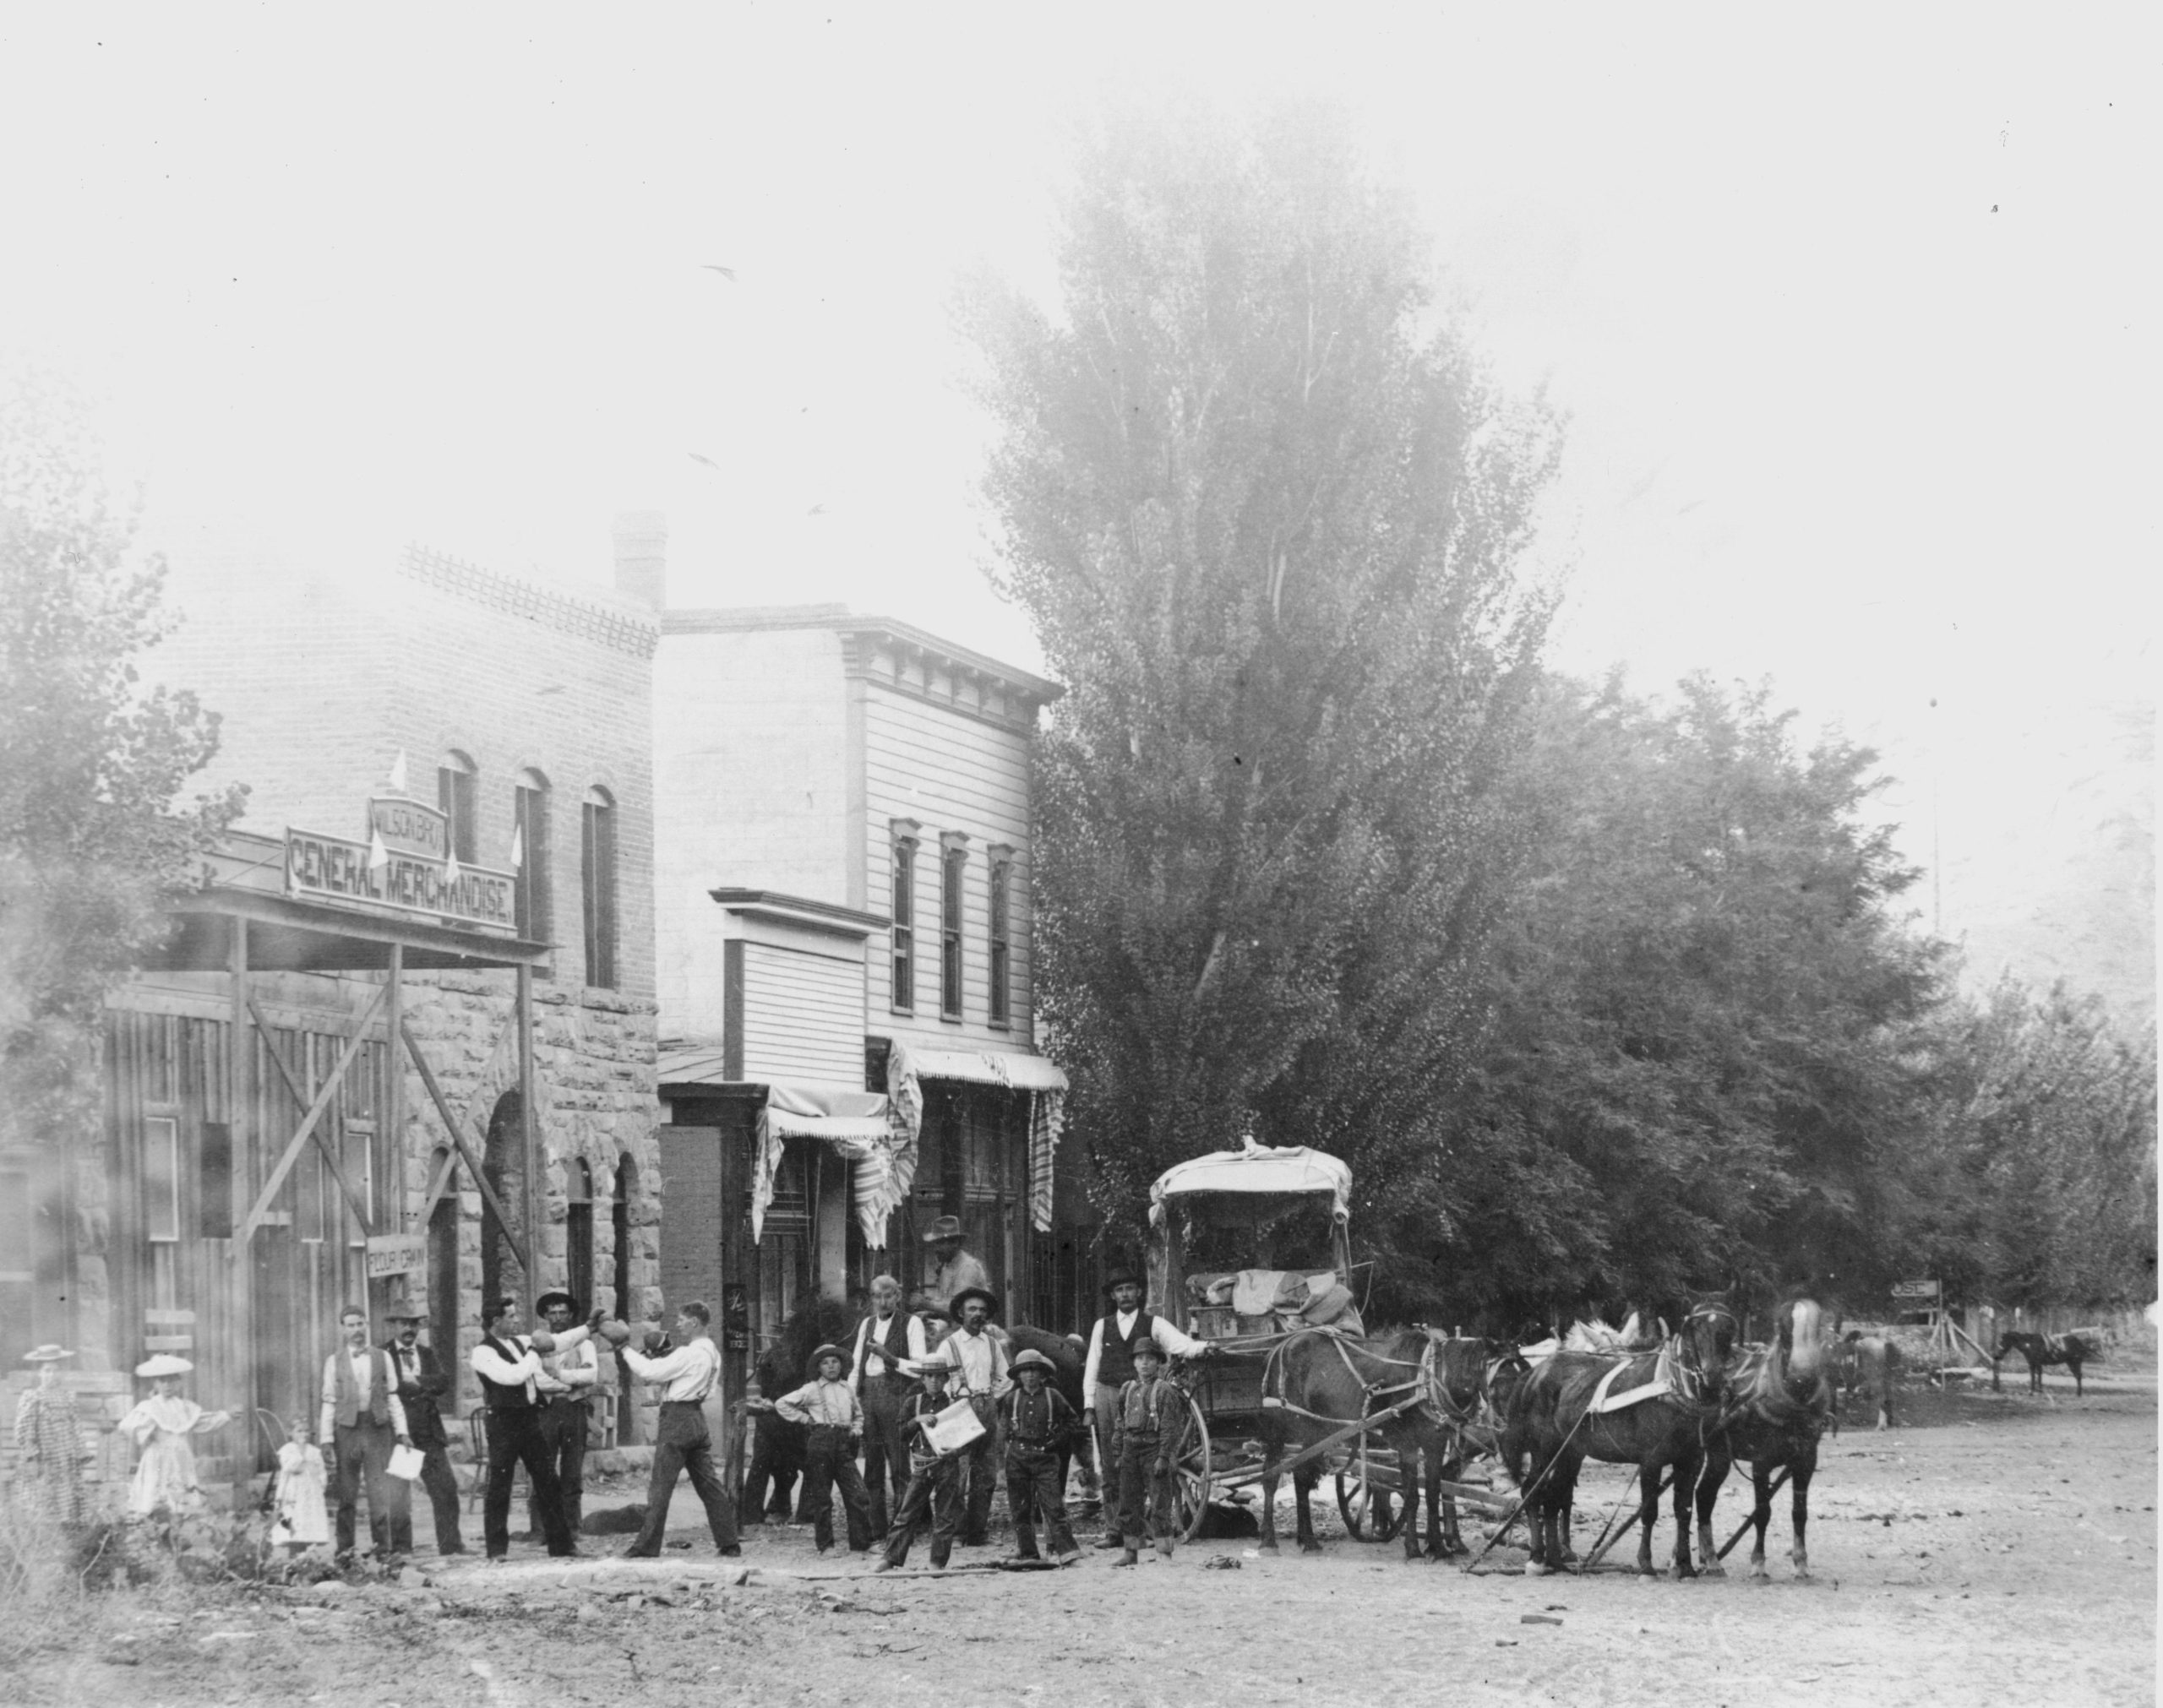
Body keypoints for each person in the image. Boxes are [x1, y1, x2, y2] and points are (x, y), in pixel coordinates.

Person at [1081, 1273, 1207, 1549]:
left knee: (1146, 1461)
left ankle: (1148, 1528)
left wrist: (1203, 1348)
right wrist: (1089, 1404)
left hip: (1145, 1396)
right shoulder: (1103, 1326)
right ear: (1113, 1296)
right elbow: (1092, 1364)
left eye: (1129, 1289)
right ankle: (1115, 1531)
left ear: (1138, 1292)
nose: (1125, 1294)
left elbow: (1179, 1344)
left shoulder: (1154, 1323)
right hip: (1108, 1393)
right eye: (1119, 1290)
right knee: (1111, 1463)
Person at [616, 1300, 740, 1558]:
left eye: (682, 1319)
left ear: (695, 1322)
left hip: (677, 1417)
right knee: (709, 1484)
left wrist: (624, 1348)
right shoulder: (712, 1353)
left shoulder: (689, 1352)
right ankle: (729, 1542)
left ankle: (646, 1546)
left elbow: (649, 1372)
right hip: (696, 1416)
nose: (678, 1324)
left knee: (661, 1486)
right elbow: (698, 1386)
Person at [470, 1297, 586, 1558]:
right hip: (503, 1422)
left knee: (548, 1481)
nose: (517, 1320)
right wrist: (535, 1351)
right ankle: (496, 1550)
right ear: (496, 1321)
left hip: (529, 1419)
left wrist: (590, 1327)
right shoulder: (482, 1352)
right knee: (500, 1484)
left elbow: (558, 1343)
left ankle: (561, 1546)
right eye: (511, 1316)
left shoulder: (519, 1342)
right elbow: (514, 1376)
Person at [319, 1303, 414, 1558]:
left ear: (366, 1325)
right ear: (343, 1330)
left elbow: (393, 1395)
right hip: (347, 1430)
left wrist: (402, 1432)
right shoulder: (333, 1362)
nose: (357, 1330)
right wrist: (326, 1439)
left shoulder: (382, 1357)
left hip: (377, 1429)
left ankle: (382, 1549)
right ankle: (345, 1550)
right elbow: (329, 1400)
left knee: (378, 1491)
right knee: (347, 1493)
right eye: (351, 1325)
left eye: (360, 1324)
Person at [919, 1286, 1009, 1545]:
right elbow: (939, 1378)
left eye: (982, 1310)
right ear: (961, 1313)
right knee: (956, 1473)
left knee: (986, 1475)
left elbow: (1005, 1377)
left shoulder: (992, 1344)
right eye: (972, 1309)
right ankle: (957, 1531)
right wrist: (956, 1400)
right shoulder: (949, 1344)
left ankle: (977, 1532)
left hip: (987, 1407)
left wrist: (990, 1396)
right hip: (958, 1409)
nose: (977, 1314)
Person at [766, 1343, 871, 1554]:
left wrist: (857, 1428)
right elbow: (782, 1404)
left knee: (857, 1494)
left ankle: (860, 1545)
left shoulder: (847, 1388)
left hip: (843, 1442)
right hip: (821, 1442)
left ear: (841, 1366)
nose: (831, 1367)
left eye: (835, 1362)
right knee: (822, 1497)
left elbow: (858, 1414)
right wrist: (805, 1418)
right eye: (825, 1363)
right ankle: (826, 1545)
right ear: (819, 1368)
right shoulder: (811, 1389)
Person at [848, 1275, 927, 1540]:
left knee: (899, 1464)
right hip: (869, 1395)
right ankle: (876, 1526)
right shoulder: (867, 1324)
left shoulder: (911, 1323)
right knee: (872, 1465)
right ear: (872, 1298)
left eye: (888, 1296)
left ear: (897, 1296)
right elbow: (857, 1363)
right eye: (877, 1297)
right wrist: (852, 1397)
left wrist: (889, 1357)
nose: (882, 1302)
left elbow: (919, 1367)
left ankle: (903, 1527)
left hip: (896, 1397)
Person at [383, 1304, 465, 1556]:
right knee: (399, 1494)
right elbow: (389, 1387)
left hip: (429, 1432)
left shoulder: (426, 1354)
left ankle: (450, 1546)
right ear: (394, 1326)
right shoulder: (384, 1355)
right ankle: (401, 1548)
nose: (409, 1329)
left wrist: (415, 1382)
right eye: (403, 1323)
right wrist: (419, 1388)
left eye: (413, 1324)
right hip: (403, 1433)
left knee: (446, 1488)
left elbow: (442, 1382)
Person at [873, 1361, 963, 1571]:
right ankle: (890, 1558)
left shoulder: (954, 1404)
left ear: (946, 1379)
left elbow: (967, 1438)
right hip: (922, 1464)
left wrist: (956, 1452)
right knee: (907, 1513)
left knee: (945, 1515)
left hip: (947, 1465)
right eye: (929, 1376)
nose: (934, 1381)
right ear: (922, 1379)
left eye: (939, 1376)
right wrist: (917, 1420)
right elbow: (900, 1433)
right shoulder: (913, 1403)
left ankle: (937, 1561)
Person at [117, 1354, 231, 1517]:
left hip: (181, 1455)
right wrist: (148, 1431)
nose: (167, 1385)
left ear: (179, 1383)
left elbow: (202, 1421)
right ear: (155, 1383)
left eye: (172, 1380)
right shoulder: (150, 1407)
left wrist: (226, 1415)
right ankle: (156, 1525)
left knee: (180, 1495)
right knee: (155, 1493)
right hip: (158, 1455)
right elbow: (127, 1426)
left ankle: (175, 1525)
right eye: (162, 1381)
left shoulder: (184, 1406)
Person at [1000, 1347, 1080, 1564]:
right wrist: (1004, 1456)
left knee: (1054, 1506)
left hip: (1045, 1457)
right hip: (1018, 1457)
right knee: (1020, 1508)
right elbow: (1003, 1429)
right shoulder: (1011, 1399)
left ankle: (1067, 1553)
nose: (1030, 1375)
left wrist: (1055, 1441)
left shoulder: (1053, 1396)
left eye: (1035, 1370)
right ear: (1018, 1375)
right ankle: (1028, 1552)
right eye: (1025, 1371)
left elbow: (1072, 1422)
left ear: (1043, 1373)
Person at [528, 1290, 597, 1538]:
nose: (558, 1318)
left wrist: (563, 1376)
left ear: (570, 1316)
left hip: (574, 1410)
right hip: (546, 1410)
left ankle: (572, 1527)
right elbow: (538, 1380)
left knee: (572, 1470)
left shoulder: (584, 1343)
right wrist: (568, 1384)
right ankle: (540, 1529)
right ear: (546, 1316)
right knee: (542, 1468)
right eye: (553, 1313)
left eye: (563, 1313)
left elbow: (591, 1375)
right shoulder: (538, 1345)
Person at [1110, 1338, 1182, 1567]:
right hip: (1131, 1448)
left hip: (1153, 1449)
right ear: (1134, 1363)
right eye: (1140, 1359)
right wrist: (1119, 1452)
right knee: (1128, 1503)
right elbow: (1120, 1422)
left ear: (1158, 1363)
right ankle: (1131, 1551)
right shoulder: (1127, 1389)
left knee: (1159, 1501)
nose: (1144, 1364)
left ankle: (1164, 1552)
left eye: (1150, 1359)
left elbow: (1170, 1426)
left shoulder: (1164, 1391)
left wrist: (1163, 1456)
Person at [14, 1345, 87, 1526]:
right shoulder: (33, 1396)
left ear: (61, 1373)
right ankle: (44, 1532)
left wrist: (79, 1450)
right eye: (47, 1371)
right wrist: (32, 1454)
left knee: (68, 1493)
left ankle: (68, 1527)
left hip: (65, 1452)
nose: (51, 1375)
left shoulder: (68, 1396)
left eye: (55, 1371)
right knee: (43, 1493)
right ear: (39, 1373)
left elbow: (76, 1425)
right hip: (44, 1454)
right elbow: (24, 1428)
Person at [268, 1417, 331, 1553]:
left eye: (306, 1431)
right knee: (294, 1520)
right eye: (299, 1431)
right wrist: (301, 1452)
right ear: (290, 1433)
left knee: (309, 1521)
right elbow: (291, 1467)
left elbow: (321, 1471)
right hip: (293, 1492)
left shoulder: (314, 1451)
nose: (303, 1434)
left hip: (311, 1493)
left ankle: (306, 1555)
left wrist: (321, 1486)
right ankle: (294, 1554)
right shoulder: (287, 1450)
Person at [921, 1216, 990, 1313]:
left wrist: (926, 1304)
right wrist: (929, 1313)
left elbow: (959, 1308)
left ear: (955, 1243)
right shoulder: (946, 1267)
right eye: (935, 1244)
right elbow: (944, 1302)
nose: (936, 1249)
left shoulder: (968, 1268)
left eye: (940, 1243)